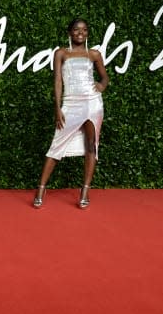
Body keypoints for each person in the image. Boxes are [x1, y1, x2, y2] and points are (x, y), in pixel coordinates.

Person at [33, 18, 109, 209]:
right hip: (70, 104)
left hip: (93, 104)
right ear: (70, 33)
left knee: (92, 145)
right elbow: (58, 81)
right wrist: (58, 108)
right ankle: (41, 189)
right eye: (76, 30)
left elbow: (105, 77)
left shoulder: (94, 54)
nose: (80, 33)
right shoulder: (61, 53)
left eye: (84, 30)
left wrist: (101, 85)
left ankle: (85, 191)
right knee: (56, 146)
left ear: (87, 33)